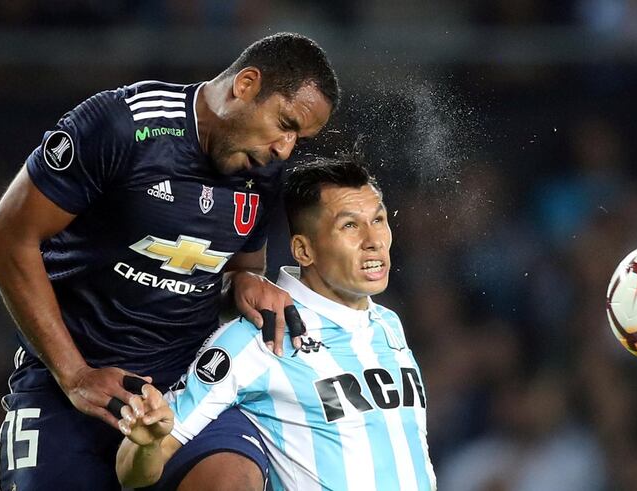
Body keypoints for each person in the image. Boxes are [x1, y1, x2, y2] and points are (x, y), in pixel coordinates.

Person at [0, 32, 339, 490]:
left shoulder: (261, 169)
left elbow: (237, 269)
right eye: (285, 123)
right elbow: (7, 239)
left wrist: (246, 282)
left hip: (189, 384)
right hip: (74, 382)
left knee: (231, 482)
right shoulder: (121, 125)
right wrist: (75, 375)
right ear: (246, 85)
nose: (285, 149)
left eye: (298, 138)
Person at [115, 156, 438, 490]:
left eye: (379, 219)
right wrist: (147, 444)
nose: (374, 240)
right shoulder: (256, 339)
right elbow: (130, 472)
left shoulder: (387, 324)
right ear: (303, 249)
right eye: (350, 226)